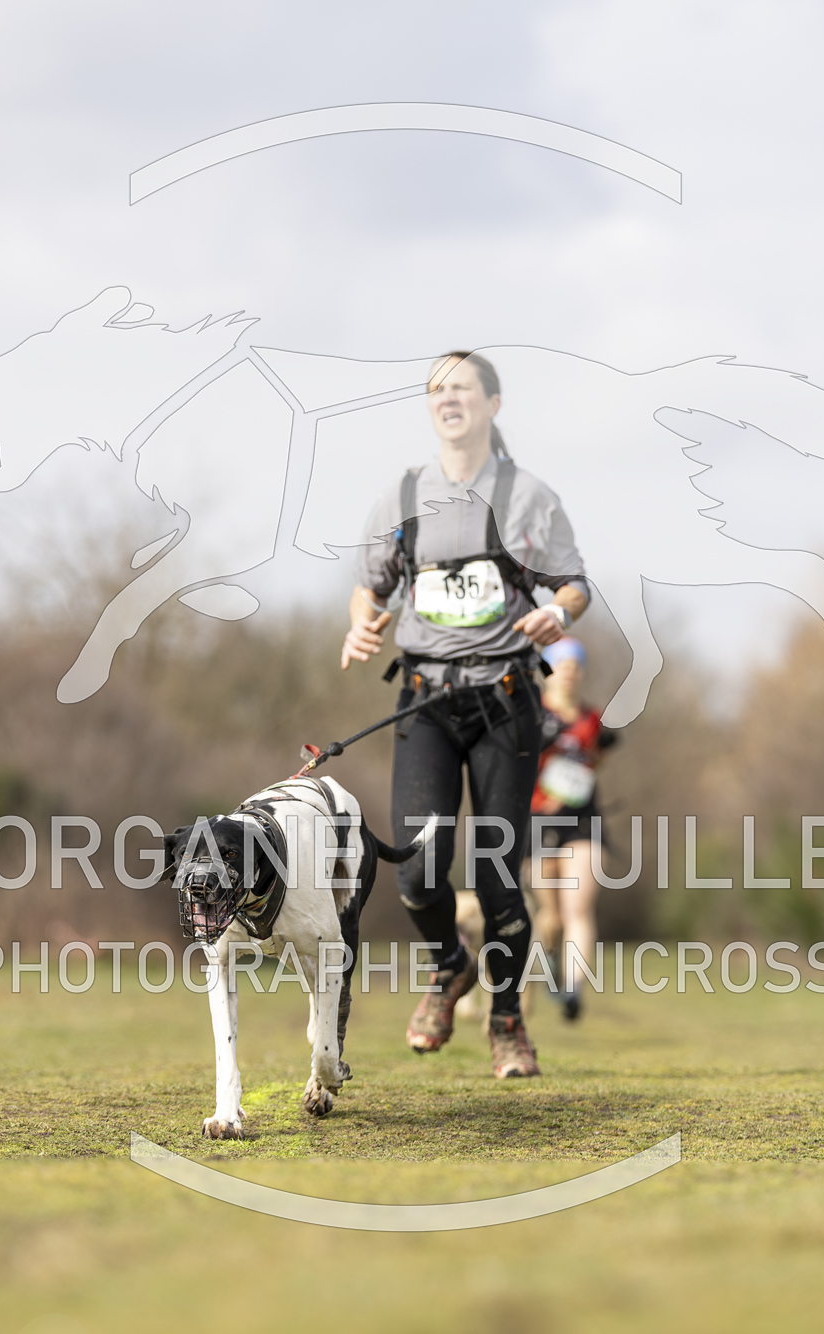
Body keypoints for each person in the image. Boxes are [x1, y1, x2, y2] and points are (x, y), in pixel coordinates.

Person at [341, 350, 589, 1079]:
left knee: (496, 875)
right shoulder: (401, 496)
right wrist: (359, 625)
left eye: (461, 388)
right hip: (425, 702)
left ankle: (506, 1020)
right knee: (417, 872)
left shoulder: (528, 497)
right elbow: (369, 589)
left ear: (492, 404)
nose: (447, 398)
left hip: (505, 702)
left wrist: (556, 613)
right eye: (436, 389)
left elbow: (574, 586)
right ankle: (449, 965)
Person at [527, 637, 618, 1022]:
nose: (569, 672)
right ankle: (550, 959)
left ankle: (573, 989)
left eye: (575, 666)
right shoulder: (530, 714)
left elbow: (599, 757)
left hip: (583, 821)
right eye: (561, 665)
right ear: (547, 671)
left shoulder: (593, 719)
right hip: (536, 823)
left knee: (577, 907)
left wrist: (576, 779)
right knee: (551, 915)